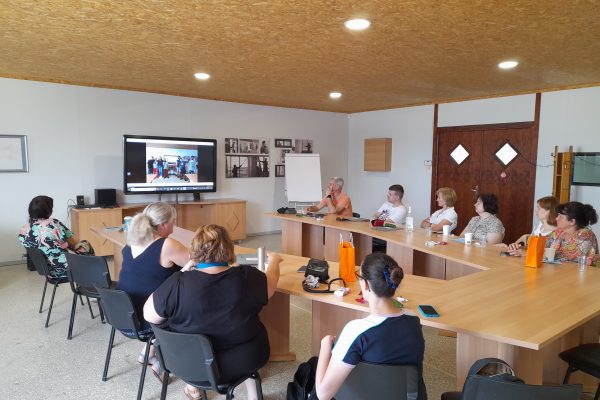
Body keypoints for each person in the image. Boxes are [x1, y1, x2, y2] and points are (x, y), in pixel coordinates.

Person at [144, 224, 283, 400]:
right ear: (229, 249)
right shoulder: (248, 276)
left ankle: (193, 387)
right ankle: (253, 395)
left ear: (193, 251)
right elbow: (271, 283)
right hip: (244, 360)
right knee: (250, 329)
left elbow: (149, 315)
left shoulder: (177, 283)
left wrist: (184, 270)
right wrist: (275, 261)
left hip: (189, 362)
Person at [314, 253, 426, 400]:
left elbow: (323, 394)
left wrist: (325, 346)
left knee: (314, 368)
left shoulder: (356, 331)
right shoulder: (414, 321)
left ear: (365, 284)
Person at [115, 203, 189, 371]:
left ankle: (148, 351)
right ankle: (167, 359)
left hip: (122, 316)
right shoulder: (167, 245)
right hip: (147, 323)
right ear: (163, 224)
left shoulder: (130, 242)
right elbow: (197, 265)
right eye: (173, 221)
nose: (174, 225)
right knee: (190, 303)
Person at [18, 195, 94, 279]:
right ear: (49, 211)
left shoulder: (23, 230)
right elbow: (73, 243)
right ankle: (88, 279)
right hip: (65, 269)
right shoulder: (53, 224)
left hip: (47, 271)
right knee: (85, 244)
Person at [509, 201, 599, 266]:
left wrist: (527, 253)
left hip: (580, 279)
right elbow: (541, 244)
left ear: (572, 221)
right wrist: (519, 247)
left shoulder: (585, 236)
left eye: (560, 216)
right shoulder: (559, 232)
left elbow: (562, 257)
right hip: (559, 274)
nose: (556, 218)